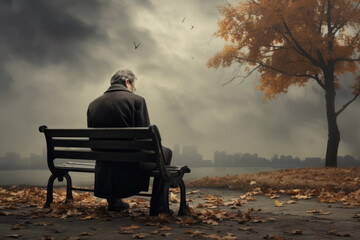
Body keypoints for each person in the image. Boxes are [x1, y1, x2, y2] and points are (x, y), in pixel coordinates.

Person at [87, 69, 172, 214]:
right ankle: (158, 207)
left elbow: (93, 141)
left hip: (105, 163)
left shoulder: (93, 104)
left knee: (114, 155)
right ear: (127, 82)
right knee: (166, 152)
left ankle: (114, 202)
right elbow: (145, 139)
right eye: (133, 85)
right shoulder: (137, 100)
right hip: (131, 163)